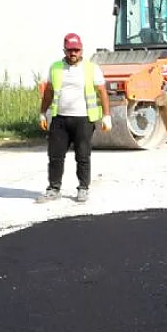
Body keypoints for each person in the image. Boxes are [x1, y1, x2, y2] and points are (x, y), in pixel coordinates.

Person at [36, 32, 111, 204]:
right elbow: (49, 92)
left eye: (76, 50)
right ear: (64, 50)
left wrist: (107, 116)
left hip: (83, 119)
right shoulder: (55, 68)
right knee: (55, 156)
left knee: (83, 156)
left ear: (81, 50)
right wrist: (42, 112)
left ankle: (83, 188)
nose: (73, 53)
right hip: (60, 119)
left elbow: (102, 91)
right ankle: (54, 189)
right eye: (70, 50)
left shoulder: (91, 68)